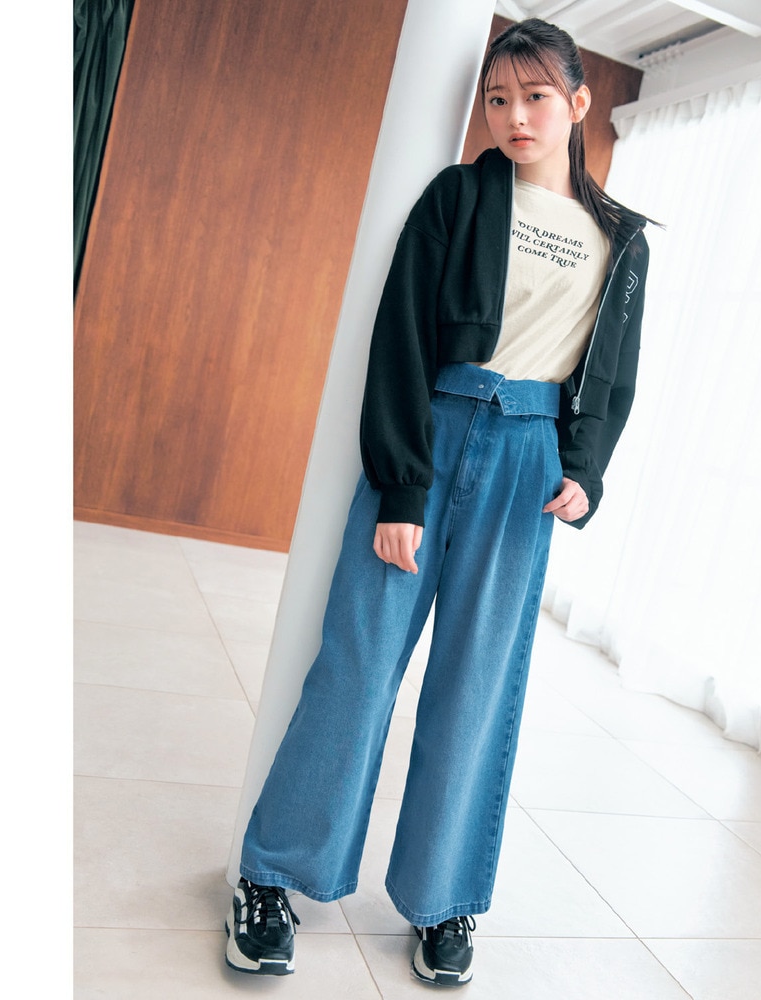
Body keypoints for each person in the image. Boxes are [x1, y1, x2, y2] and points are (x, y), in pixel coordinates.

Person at [225, 17, 652, 988]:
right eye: (497, 99)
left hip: (528, 464)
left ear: (579, 102)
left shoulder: (620, 239)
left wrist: (584, 468)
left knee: (477, 688)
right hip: (433, 434)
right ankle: (271, 875)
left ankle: (445, 897)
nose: (514, 116)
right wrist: (402, 486)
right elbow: (402, 344)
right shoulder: (457, 197)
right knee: (358, 665)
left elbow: (615, 370)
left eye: (534, 97)